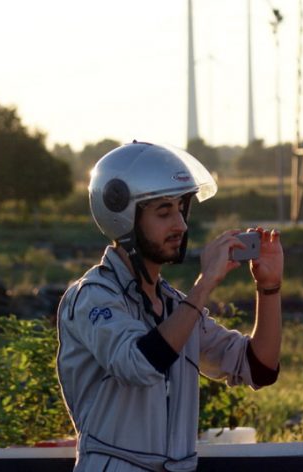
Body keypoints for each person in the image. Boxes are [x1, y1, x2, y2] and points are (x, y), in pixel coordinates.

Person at [56, 141, 283, 472]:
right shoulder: (92, 297)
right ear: (123, 218)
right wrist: (204, 285)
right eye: (164, 213)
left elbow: (258, 368)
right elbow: (139, 363)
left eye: (181, 209)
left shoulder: (175, 307)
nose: (180, 225)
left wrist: (269, 288)